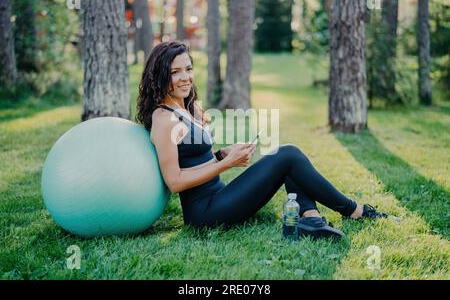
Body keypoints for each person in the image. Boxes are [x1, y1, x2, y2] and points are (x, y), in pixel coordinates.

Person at [136, 41, 387, 239]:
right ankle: (354, 211)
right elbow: (175, 181)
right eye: (175, 72)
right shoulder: (164, 119)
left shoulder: (186, 107)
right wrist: (227, 164)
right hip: (205, 214)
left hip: (219, 196)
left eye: (188, 69)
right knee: (288, 155)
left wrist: (221, 154)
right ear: (160, 76)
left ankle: (310, 218)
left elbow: (193, 158)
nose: (185, 78)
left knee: (289, 165)